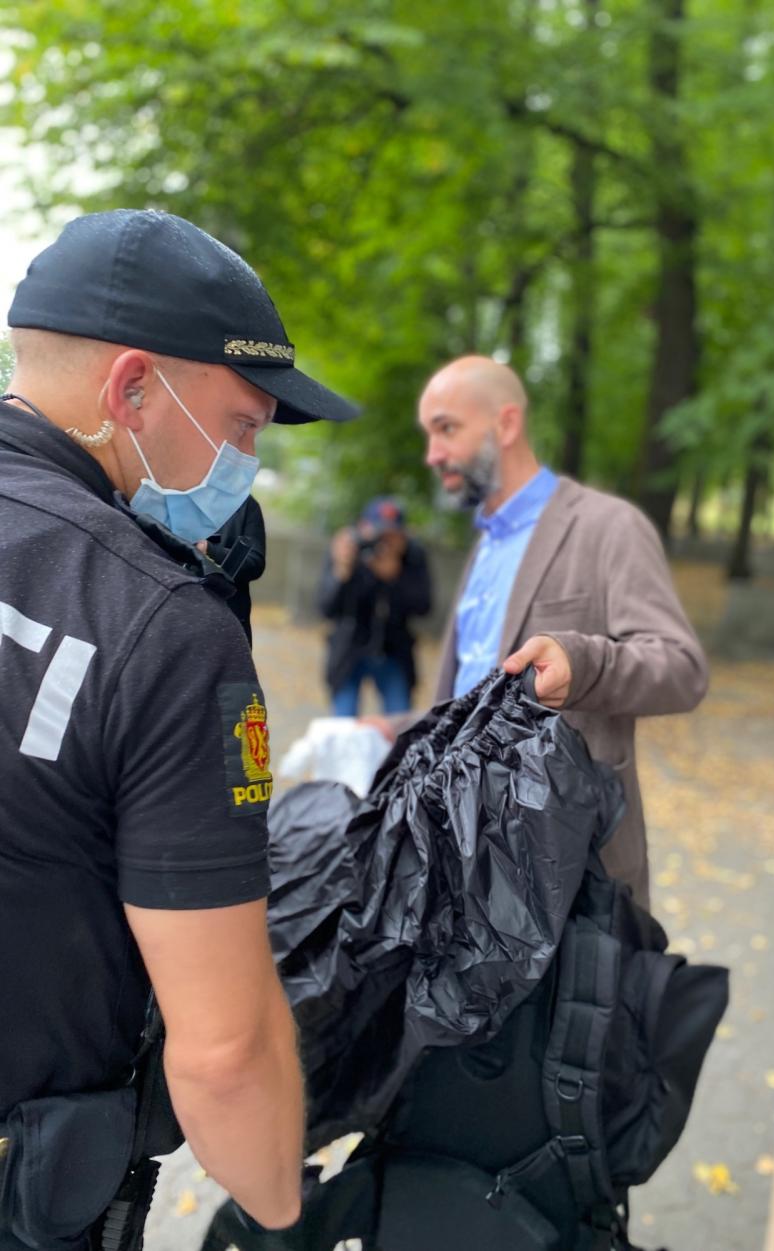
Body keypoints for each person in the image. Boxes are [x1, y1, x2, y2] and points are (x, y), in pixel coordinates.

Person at [0, 208, 356, 1248]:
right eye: (242, 426)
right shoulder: (160, 629)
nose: (246, 461)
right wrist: (284, 1207)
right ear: (132, 389)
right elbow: (225, 1050)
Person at [371, 355, 708, 911]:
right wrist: (398, 728)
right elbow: (471, 697)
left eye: (446, 428)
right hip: (463, 868)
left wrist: (583, 664)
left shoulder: (607, 527)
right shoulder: (486, 546)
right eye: (428, 434)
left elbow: (682, 668)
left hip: (573, 880)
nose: (432, 454)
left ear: (506, 424)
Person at [317, 497, 432, 715]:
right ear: (362, 528)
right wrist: (341, 573)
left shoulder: (413, 555)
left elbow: (424, 607)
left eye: (391, 534)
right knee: (344, 725)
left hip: (394, 651)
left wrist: (396, 577)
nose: (383, 541)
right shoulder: (349, 550)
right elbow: (325, 609)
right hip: (349, 651)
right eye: (378, 533)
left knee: (399, 724)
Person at [199, 494, 267, 646]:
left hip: (228, 618)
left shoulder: (246, 505)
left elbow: (255, 563)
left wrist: (209, 550)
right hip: (180, 613)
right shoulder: (175, 495)